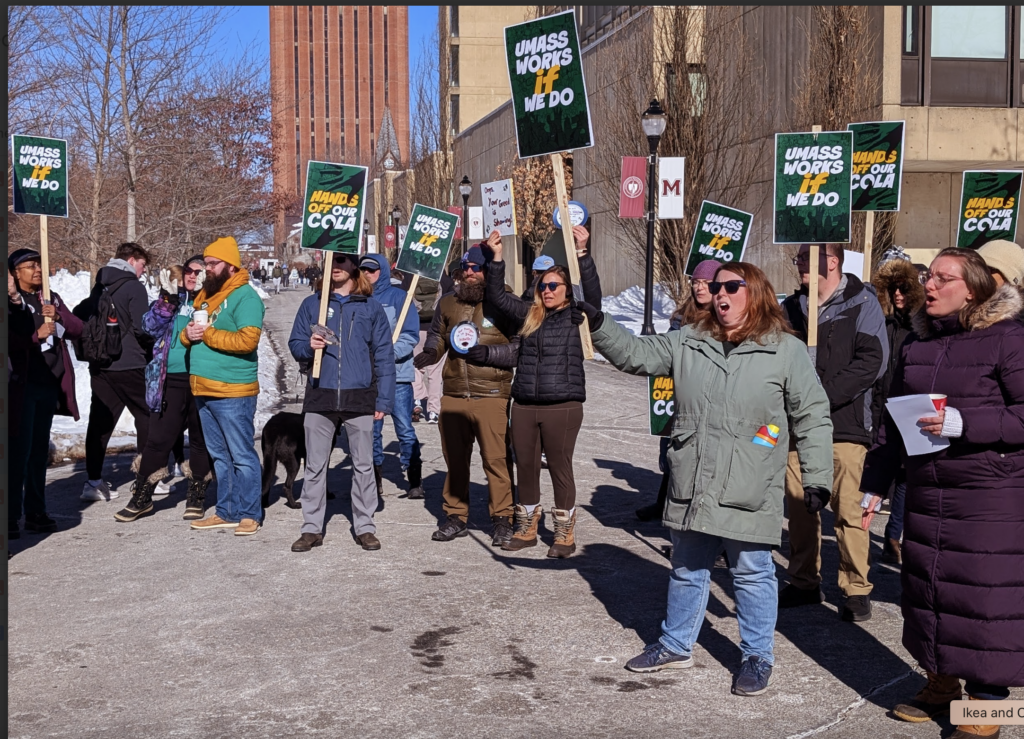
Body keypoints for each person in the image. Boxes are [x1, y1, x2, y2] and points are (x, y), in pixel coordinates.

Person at [579, 262, 833, 697]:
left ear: (755, 292)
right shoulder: (689, 342)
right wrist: (600, 324)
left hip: (750, 482)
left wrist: (817, 477)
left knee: (752, 572)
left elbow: (812, 415)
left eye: (732, 287)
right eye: (716, 288)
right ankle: (676, 644)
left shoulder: (784, 350)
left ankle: (757, 655)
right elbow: (636, 355)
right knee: (687, 566)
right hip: (694, 480)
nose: (721, 295)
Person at [859, 247, 1024, 739]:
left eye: (941, 278)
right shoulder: (917, 344)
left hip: (988, 499)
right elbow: (893, 420)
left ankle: (987, 712)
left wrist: (966, 422)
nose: (927, 284)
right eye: (928, 275)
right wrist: (875, 483)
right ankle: (940, 685)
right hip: (929, 495)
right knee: (931, 593)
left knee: (983, 603)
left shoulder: (1009, 340)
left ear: (972, 288)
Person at [779, 242, 888, 622]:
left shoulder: (862, 303)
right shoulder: (790, 309)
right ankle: (803, 581)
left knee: (848, 512)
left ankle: (855, 588)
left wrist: (819, 398)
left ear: (834, 262)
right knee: (799, 507)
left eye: (808, 260)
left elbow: (872, 361)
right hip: (799, 430)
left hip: (846, 427)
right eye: (798, 260)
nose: (801, 267)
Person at [479, 227, 601, 556]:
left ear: (566, 290)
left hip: (562, 405)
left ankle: (564, 533)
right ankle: (527, 526)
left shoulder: (577, 319)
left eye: (553, 286)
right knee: (527, 466)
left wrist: (582, 253)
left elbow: (594, 298)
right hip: (525, 405)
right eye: (543, 285)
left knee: (560, 467)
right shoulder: (529, 315)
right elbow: (497, 298)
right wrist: (497, 258)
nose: (547, 291)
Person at [288, 254, 395, 552]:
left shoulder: (370, 307)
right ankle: (311, 528)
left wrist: (383, 399)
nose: (336, 266)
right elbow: (295, 343)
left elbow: (384, 355)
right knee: (315, 466)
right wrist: (308, 348)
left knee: (363, 465)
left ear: (354, 268)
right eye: (332, 261)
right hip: (320, 395)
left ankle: (364, 526)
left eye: (343, 261)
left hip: (359, 395)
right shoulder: (313, 305)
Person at [413, 244, 518, 546]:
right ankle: (455, 516)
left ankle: (502, 519)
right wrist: (431, 352)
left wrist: (489, 353)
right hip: (455, 393)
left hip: (493, 393)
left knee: (496, 460)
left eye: (477, 268)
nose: (470, 273)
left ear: (489, 271)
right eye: (466, 267)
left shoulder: (506, 304)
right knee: (455, 460)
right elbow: (436, 335)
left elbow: (520, 348)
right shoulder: (447, 303)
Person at [114, 256, 213, 522]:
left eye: (200, 272)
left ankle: (196, 496)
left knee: (200, 440)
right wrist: (168, 299)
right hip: (170, 380)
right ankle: (142, 497)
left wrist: (205, 296)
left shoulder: (214, 301)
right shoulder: (171, 300)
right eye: (189, 271)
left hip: (203, 379)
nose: (193, 276)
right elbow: (148, 327)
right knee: (157, 439)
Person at [180, 237, 266, 536]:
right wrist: (188, 334)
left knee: (241, 455)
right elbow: (189, 334)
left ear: (230, 265)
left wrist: (208, 334)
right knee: (220, 457)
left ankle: (249, 513)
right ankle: (226, 510)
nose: (208, 269)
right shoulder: (205, 296)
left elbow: (247, 341)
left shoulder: (246, 298)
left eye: (213, 264)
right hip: (202, 388)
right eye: (207, 264)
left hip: (233, 390)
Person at [636, 258, 722, 522]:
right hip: (678, 394)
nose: (700, 288)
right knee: (672, 450)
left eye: (707, 283)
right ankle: (666, 503)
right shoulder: (681, 318)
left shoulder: (726, 318)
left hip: (711, 398)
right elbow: (665, 356)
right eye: (696, 282)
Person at [8, 249, 84, 538]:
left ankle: (36, 511)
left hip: (47, 384)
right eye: (30, 266)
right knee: (19, 451)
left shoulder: (48, 297)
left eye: (39, 265)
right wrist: (35, 336)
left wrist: (59, 313)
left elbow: (77, 329)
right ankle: (11, 515)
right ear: (15, 272)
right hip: (21, 386)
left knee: (39, 452)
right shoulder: (12, 302)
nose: (37, 270)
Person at [78, 242, 154, 502]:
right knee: (147, 415)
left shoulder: (100, 284)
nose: (143, 272)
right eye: (143, 265)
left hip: (101, 364)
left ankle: (93, 481)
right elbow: (142, 328)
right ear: (132, 260)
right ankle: (147, 478)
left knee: (100, 421)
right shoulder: (134, 287)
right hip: (130, 362)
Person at [868, 249, 925, 565]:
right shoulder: (882, 324)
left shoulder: (921, 328)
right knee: (878, 474)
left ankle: (893, 535)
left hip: (909, 406)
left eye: (904, 288)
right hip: (880, 408)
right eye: (893, 289)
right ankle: (876, 531)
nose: (899, 295)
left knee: (904, 478)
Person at [359, 254, 424, 499]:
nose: (366, 273)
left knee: (405, 429)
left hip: (397, 376)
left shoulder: (400, 298)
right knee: (372, 431)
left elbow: (409, 336)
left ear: (383, 271)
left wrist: (385, 355)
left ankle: (415, 479)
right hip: (368, 379)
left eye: (372, 270)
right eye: (363, 269)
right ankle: (375, 481)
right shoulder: (358, 298)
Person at [412, 271, 454, 424]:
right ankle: (433, 411)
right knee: (435, 372)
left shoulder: (412, 276)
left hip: (415, 328)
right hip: (437, 330)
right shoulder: (444, 278)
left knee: (416, 365)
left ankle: (417, 398)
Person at [977, 239, 1024, 324]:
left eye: (989, 269)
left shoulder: (1016, 326)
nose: (979, 273)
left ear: (1008, 279)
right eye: (976, 267)